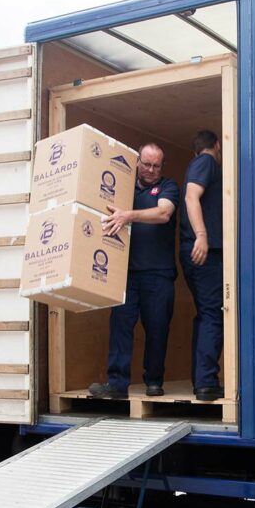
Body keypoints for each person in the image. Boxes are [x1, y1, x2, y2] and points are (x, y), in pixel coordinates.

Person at [88, 143, 180, 399]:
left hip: (159, 274)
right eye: (147, 164)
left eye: (156, 166)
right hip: (126, 274)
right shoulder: (122, 189)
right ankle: (117, 385)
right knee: (120, 327)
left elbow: (164, 213)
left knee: (157, 328)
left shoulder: (169, 187)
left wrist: (128, 216)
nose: (151, 170)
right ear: (137, 161)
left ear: (162, 166)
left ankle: (154, 381)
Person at [180, 130, 224, 401]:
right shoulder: (206, 162)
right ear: (216, 145)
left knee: (205, 314)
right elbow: (190, 196)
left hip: (196, 251)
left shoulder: (196, 162)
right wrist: (203, 236)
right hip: (204, 252)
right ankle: (206, 382)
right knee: (213, 314)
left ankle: (201, 379)